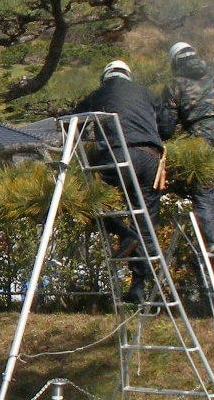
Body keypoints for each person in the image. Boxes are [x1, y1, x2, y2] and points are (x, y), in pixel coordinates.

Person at [72, 59, 175, 304]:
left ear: (105, 76)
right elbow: (168, 128)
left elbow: (72, 121)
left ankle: (122, 232)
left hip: (118, 156)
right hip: (151, 159)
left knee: (97, 202)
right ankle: (140, 287)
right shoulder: (147, 94)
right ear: (129, 75)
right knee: (146, 223)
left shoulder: (100, 93)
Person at [162, 41, 214, 255]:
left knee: (204, 189)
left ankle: (211, 242)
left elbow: (168, 122)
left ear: (175, 61)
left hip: (199, 137)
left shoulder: (175, 83)